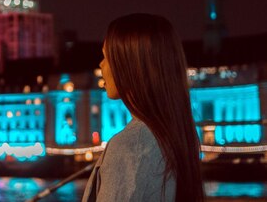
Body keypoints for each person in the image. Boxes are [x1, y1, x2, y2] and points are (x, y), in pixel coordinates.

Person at [82, 13, 204, 202]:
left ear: (129, 65)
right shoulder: (173, 136)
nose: (101, 65)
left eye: (106, 56)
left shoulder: (130, 146)